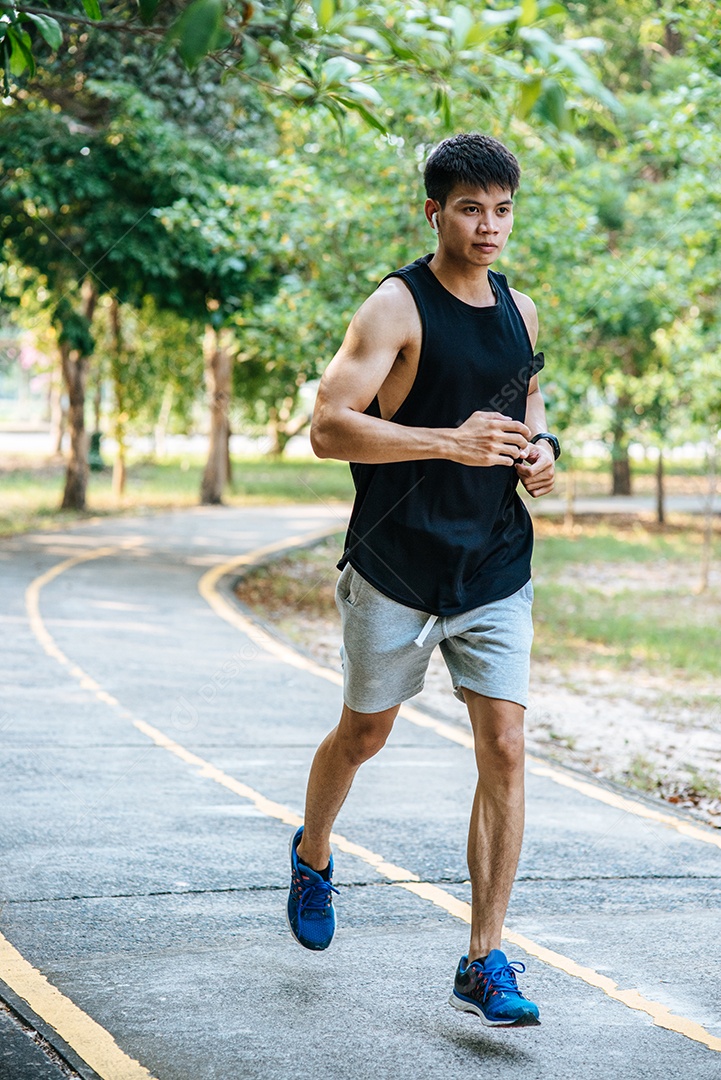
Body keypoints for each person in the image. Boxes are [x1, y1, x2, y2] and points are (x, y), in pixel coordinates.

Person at [286, 132, 559, 1027]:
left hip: (491, 563)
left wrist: (538, 449)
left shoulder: (520, 310)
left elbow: (525, 403)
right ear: (434, 211)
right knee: (363, 735)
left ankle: (483, 959)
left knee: (506, 750)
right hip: (398, 564)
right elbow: (328, 427)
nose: (489, 227)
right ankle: (315, 852)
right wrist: (449, 439)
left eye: (503, 209)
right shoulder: (394, 308)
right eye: (471, 209)